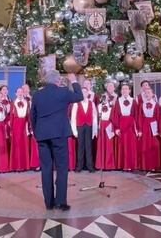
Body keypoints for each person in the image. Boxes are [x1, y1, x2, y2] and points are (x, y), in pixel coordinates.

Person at [30, 71, 83, 211]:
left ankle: (49, 204)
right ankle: (60, 202)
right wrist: (74, 81)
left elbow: (32, 116)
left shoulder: (37, 94)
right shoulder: (63, 92)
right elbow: (79, 96)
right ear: (58, 81)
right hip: (59, 135)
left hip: (42, 136)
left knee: (46, 169)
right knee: (61, 168)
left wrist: (37, 133)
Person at [112, 84, 139, 171]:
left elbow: (137, 115)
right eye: (123, 89)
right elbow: (115, 115)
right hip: (121, 124)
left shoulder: (133, 101)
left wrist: (137, 129)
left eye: (126, 89)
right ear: (120, 91)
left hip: (130, 126)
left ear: (130, 91)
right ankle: (123, 165)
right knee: (122, 145)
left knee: (131, 145)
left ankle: (131, 165)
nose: (124, 91)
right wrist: (116, 128)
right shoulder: (118, 101)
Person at [71, 86, 98, 172]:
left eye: (85, 92)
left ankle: (90, 166)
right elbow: (73, 118)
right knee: (80, 147)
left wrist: (94, 130)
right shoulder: (76, 103)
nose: (83, 94)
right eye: (82, 92)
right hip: (80, 126)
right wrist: (74, 131)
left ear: (87, 94)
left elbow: (94, 118)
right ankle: (79, 166)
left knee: (89, 147)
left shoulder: (92, 103)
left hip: (89, 126)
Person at [138, 88, 161, 171]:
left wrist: (159, 130)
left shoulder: (156, 105)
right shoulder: (142, 104)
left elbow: (158, 118)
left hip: (153, 126)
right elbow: (140, 118)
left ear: (152, 94)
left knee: (153, 145)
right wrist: (140, 130)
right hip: (145, 125)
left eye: (149, 92)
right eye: (146, 93)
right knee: (145, 145)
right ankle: (145, 165)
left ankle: (153, 166)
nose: (147, 94)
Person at [96, 82, 117, 170]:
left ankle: (109, 164)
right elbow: (98, 116)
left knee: (109, 145)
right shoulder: (100, 105)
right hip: (102, 124)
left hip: (109, 124)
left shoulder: (114, 101)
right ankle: (101, 164)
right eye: (103, 97)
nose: (105, 98)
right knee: (101, 145)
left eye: (112, 86)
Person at [9, 88, 31, 172]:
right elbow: (11, 116)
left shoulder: (27, 102)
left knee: (24, 144)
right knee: (17, 145)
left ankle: (24, 165)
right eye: (18, 92)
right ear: (15, 93)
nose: (20, 93)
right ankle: (16, 166)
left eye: (21, 92)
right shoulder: (13, 103)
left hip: (24, 124)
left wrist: (29, 127)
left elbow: (28, 116)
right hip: (16, 125)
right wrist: (11, 129)